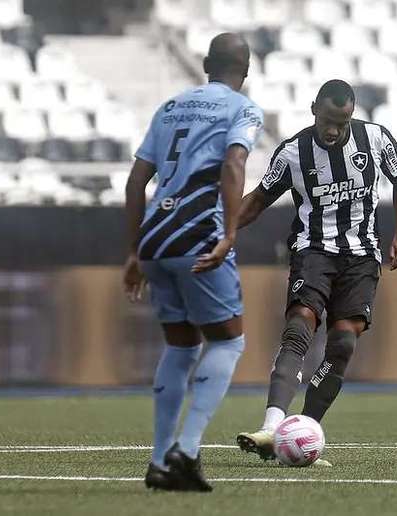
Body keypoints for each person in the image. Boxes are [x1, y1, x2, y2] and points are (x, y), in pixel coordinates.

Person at [235, 79, 397, 464]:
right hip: (312, 250)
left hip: (362, 256)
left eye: (342, 122)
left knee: (344, 344)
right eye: (328, 120)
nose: (334, 130)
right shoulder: (292, 154)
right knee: (299, 325)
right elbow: (257, 201)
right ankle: (271, 427)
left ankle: (301, 432)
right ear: (314, 108)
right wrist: (222, 232)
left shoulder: (376, 140)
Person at [123, 32, 263, 491]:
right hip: (198, 234)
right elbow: (233, 165)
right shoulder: (241, 109)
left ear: (204, 64)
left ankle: (160, 461)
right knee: (228, 342)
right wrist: (228, 233)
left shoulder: (169, 108)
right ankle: (186, 449)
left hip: (156, 239)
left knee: (181, 347)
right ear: (246, 71)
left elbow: (135, 182)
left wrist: (134, 250)